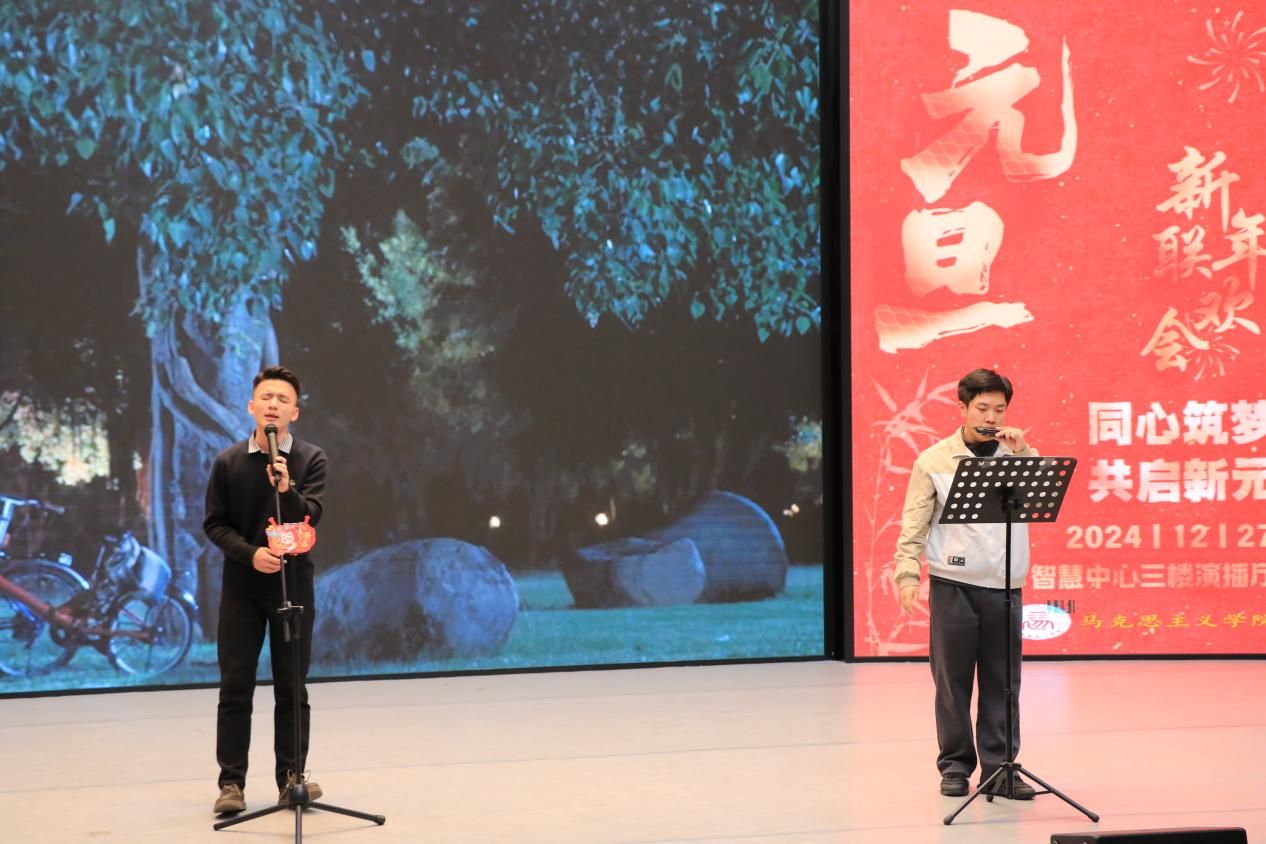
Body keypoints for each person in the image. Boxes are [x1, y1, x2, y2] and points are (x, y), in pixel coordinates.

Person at [893, 368, 1038, 800]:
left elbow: (1038, 501)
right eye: (982, 408)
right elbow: (914, 524)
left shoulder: (1018, 456)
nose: (991, 417)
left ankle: (1001, 770)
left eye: (1000, 409)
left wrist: (1024, 453)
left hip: (1005, 586)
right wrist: (907, 574)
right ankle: (955, 765)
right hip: (953, 584)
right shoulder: (934, 460)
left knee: (1004, 683)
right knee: (952, 682)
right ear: (963, 408)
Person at [206, 365, 327, 814]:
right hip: (242, 589)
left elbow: (310, 517)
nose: (273, 405)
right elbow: (215, 524)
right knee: (235, 686)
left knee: (292, 688)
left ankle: (292, 779)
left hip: (292, 587)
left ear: (295, 412)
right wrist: (249, 553)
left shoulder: (311, 459)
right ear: (251, 407)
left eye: (283, 399)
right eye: (266, 397)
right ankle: (231, 784)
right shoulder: (228, 462)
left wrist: (286, 486)